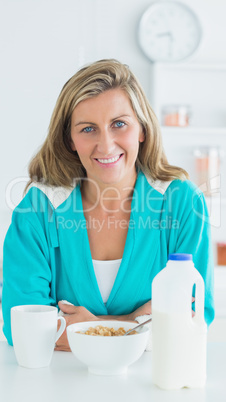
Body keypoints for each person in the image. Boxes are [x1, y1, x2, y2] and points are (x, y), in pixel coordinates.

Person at [2, 59, 214, 350]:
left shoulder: (183, 203)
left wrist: (87, 328)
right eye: (88, 129)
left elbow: (192, 318)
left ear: (142, 129)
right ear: (70, 141)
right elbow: (23, 327)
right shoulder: (38, 210)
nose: (106, 145)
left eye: (119, 124)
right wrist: (135, 322)